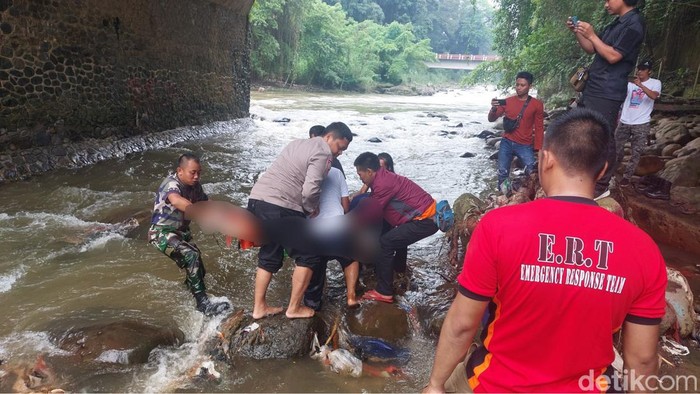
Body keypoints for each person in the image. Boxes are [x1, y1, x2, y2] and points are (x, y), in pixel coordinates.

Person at [423, 108, 666, 393]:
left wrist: (435, 385)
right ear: (601, 170)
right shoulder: (644, 249)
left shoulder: (498, 227)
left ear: (546, 159)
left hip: (494, 385)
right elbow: (643, 358)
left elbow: (463, 324)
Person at [247, 122, 353, 319]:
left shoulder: (296, 143)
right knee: (310, 254)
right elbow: (311, 189)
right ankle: (294, 308)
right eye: (340, 147)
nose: (340, 153)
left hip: (258, 201)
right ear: (329, 137)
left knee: (269, 253)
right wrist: (311, 208)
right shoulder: (323, 153)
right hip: (282, 206)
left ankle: (259, 307)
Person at [567, 0, 645, 197]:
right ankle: (588, 174)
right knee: (587, 131)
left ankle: (601, 186)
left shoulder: (634, 25)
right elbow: (592, 48)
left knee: (604, 135)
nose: (605, 4)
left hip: (608, 91)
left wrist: (592, 34)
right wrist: (578, 32)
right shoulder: (616, 23)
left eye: (609, 0)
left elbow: (613, 56)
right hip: (594, 87)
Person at [148, 153, 231, 316]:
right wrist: (200, 213)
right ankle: (203, 305)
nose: (196, 176)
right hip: (161, 233)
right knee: (191, 256)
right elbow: (177, 200)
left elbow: (207, 203)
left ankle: (187, 292)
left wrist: (225, 217)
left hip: (181, 233)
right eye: (192, 172)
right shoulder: (171, 184)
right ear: (180, 171)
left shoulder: (196, 186)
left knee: (199, 267)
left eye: (199, 172)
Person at [353, 152, 439, 303]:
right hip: (422, 217)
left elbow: (371, 213)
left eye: (360, 174)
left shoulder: (383, 184)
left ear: (369, 171)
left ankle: (384, 291)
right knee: (391, 234)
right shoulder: (383, 176)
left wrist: (349, 225)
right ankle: (398, 271)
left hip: (425, 220)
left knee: (385, 243)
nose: (360, 177)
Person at [302, 164, 360, 310]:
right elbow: (346, 205)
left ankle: (313, 304)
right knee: (351, 259)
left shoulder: (304, 173)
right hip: (337, 225)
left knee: (315, 265)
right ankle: (351, 297)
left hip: (313, 230)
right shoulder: (337, 173)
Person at [487, 71, 544, 193]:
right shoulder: (507, 101)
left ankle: (533, 194)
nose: (519, 87)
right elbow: (491, 119)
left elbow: (539, 128)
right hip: (507, 142)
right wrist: (493, 108)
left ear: (530, 86)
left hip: (525, 144)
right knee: (503, 172)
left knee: (532, 171)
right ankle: (504, 196)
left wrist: (539, 149)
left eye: (522, 85)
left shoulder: (537, 105)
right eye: (517, 84)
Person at [614, 59, 661, 188]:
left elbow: (654, 96)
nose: (639, 71)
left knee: (636, 152)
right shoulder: (629, 85)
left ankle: (626, 177)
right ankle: (611, 172)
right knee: (615, 148)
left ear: (649, 71)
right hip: (624, 121)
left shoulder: (655, 83)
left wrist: (640, 85)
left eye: (643, 69)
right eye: (638, 69)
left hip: (641, 123)